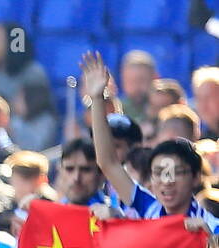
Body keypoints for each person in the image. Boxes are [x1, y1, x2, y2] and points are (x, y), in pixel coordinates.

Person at [82, 51, 219, 233]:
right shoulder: (149, 208)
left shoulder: (211, 225)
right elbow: (108, 163)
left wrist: (210, 237)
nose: (167, 181)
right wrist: (97, 99)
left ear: (195, 178)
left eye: (177, 173)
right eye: (159, 173)